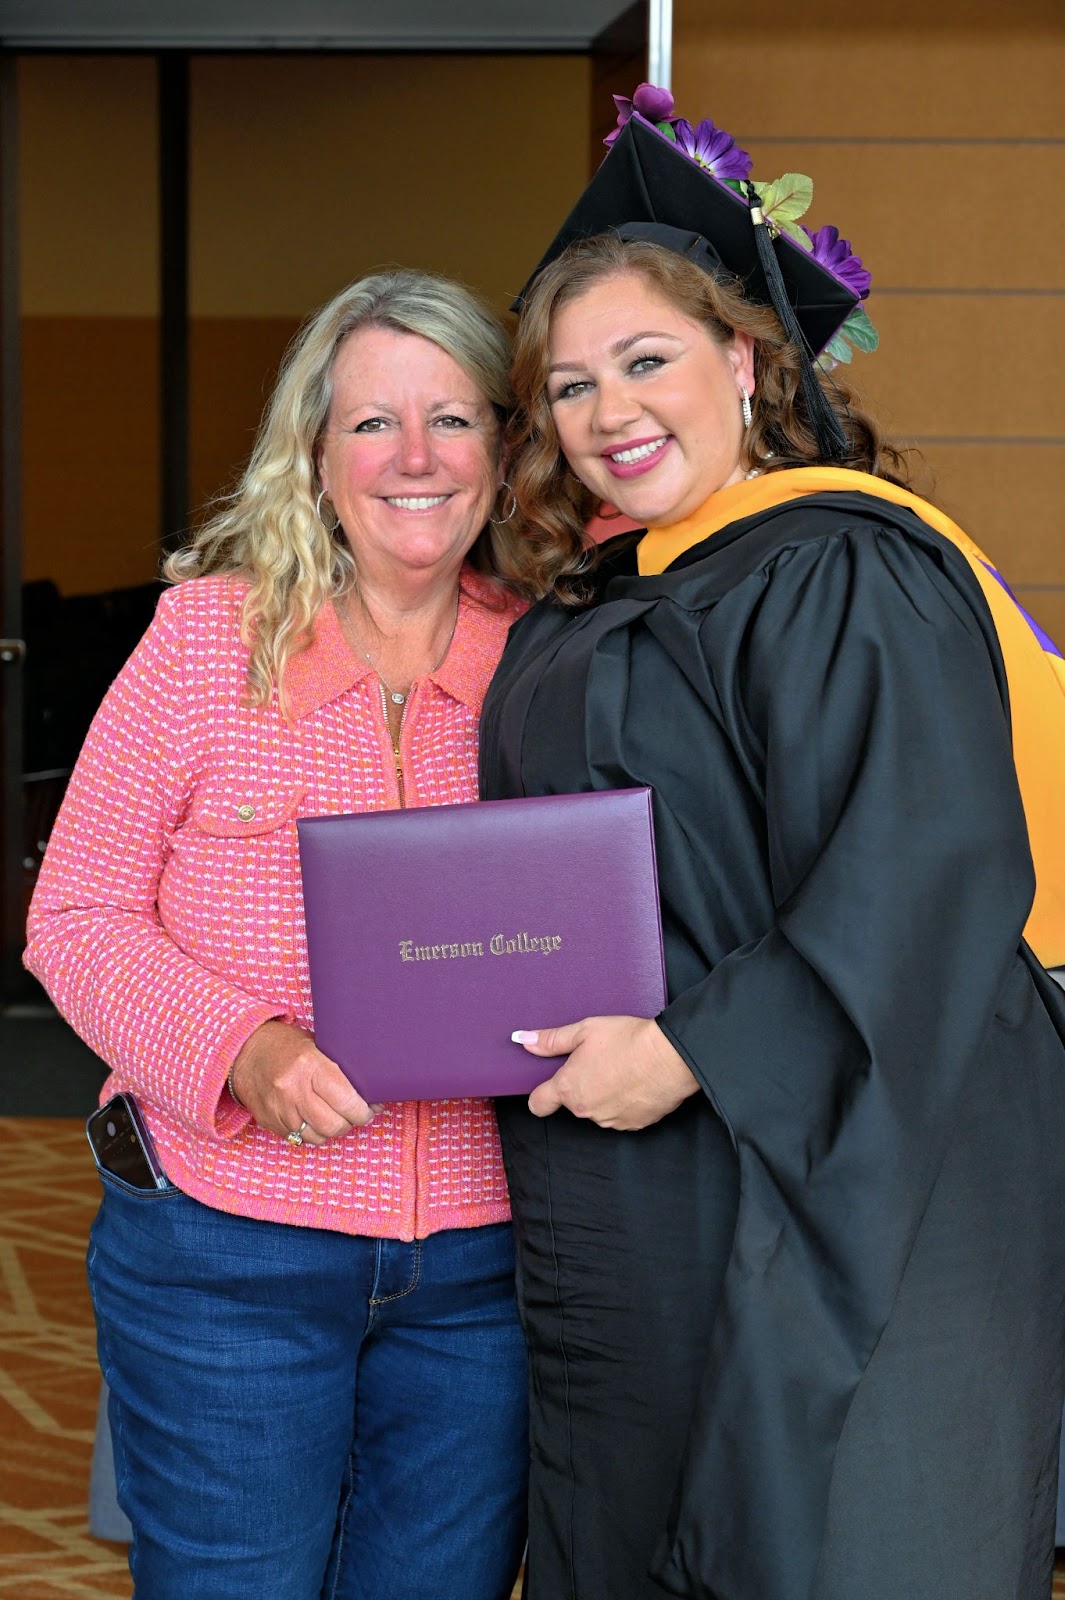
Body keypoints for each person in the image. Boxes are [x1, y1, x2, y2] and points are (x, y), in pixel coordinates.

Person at [481, 89, 1065, 1600]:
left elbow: (918, 868)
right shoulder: (602, 599)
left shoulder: (841, 568)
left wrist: (684, 1052)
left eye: (646, 359)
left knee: (821, 1532)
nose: (607, 411)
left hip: (844, 1183)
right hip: (642, 1197)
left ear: (744, 362)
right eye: (567, 384)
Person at [25, 268, 536, 1600]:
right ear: (314, 454)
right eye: (372, 423)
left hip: (491, 1260)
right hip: (225, 1243)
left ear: (505, 441)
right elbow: (74, 915)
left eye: (452, 418)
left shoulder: (562, 657)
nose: (413, 458)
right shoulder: (206, 640)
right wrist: (243, 1048)